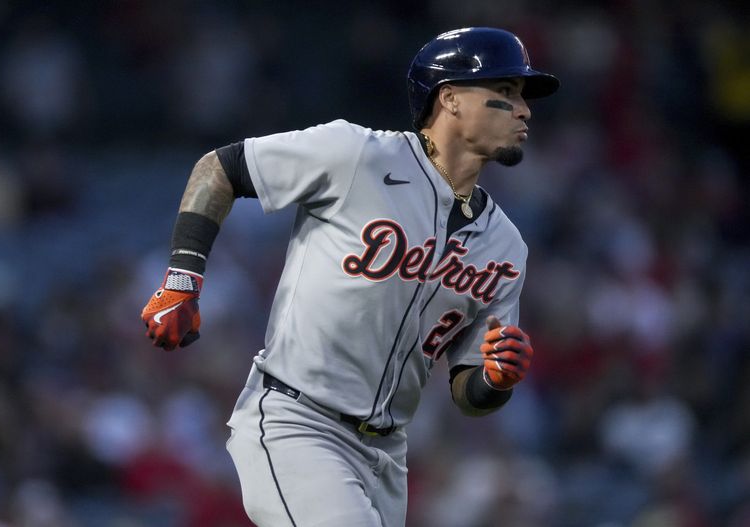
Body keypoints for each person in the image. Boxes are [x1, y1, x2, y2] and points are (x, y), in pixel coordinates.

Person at [141, 27, 559, 526]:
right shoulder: (358, 155)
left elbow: (467, 392)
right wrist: (183, 278)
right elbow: (220, 168)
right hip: (298, 422)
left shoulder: (506, 246)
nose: (524, 110)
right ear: (450, 99)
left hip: (387, 455)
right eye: (506, 92)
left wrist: (494, 380)